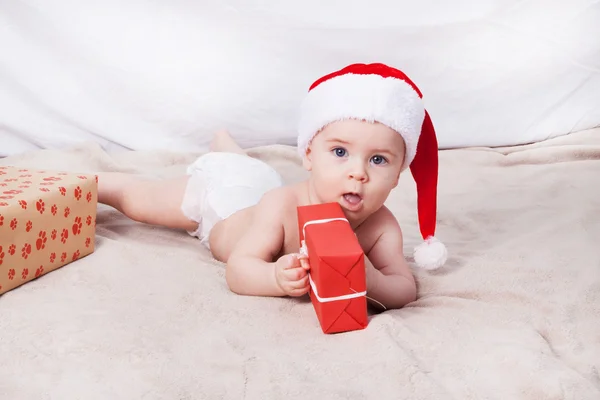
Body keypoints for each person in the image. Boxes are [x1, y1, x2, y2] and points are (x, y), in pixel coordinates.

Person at [97, 63, 448, 310]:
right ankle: (90, 184)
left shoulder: (381, 226)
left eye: (378, 159)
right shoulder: (281, 206)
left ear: (399, 174)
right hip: (220, 203)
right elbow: (239, 267)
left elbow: (403, 288)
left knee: (251, 171)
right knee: (138, 200)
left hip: (257, 183)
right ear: (308, 154)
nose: (358, 173)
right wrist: (274, 278)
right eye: (340, 152)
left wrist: (372, 280)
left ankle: (227, 145)